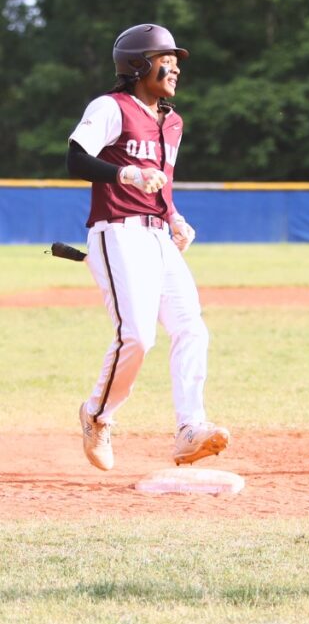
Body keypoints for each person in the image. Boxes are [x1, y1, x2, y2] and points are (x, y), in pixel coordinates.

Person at [66, 24, 230, 471]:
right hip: (116, 232)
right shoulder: (111, 107)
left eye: (176, 59)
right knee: (137, 335)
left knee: (192, 328)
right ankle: (97, 416)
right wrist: (124, 174)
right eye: (166, 58)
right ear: (139, 64)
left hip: (158, 235)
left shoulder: (172, 122)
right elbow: (75, 157)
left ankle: (189, 429)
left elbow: (162, 183)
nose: (175, 66)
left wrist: (174, 216)